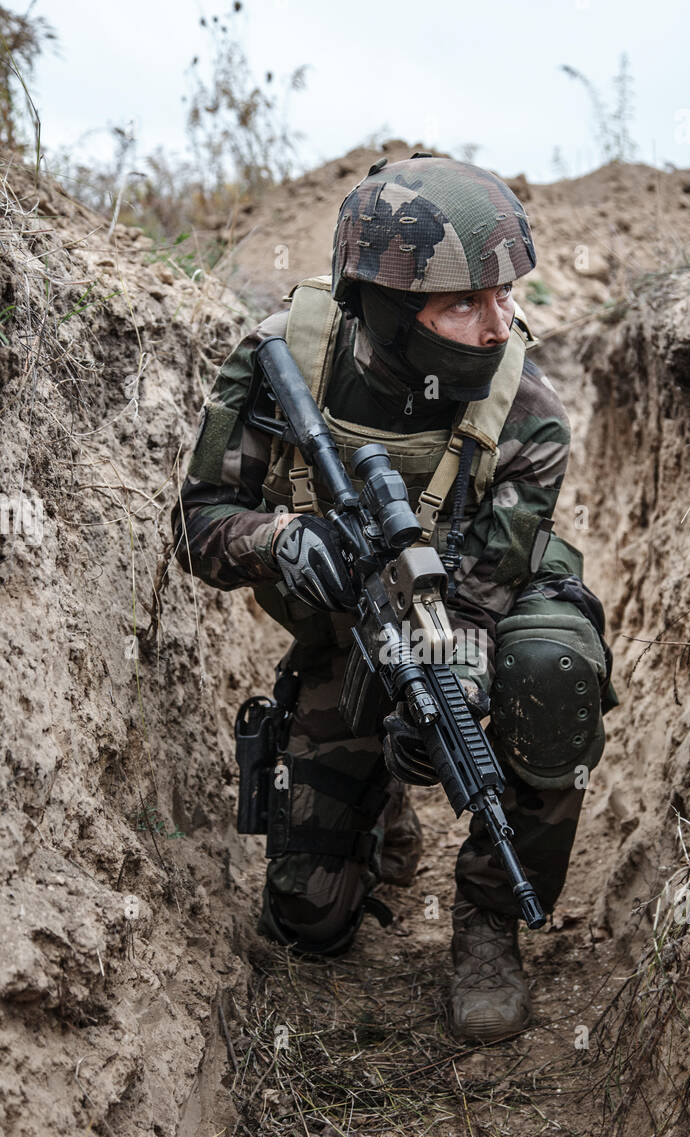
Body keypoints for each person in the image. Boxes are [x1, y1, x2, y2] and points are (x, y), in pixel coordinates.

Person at [171, 154, 616, 1044]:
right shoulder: (280, 362)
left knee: (554, 671)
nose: (501, 325)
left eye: (507, 294)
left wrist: (459, 682)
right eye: (465, 303)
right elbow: (198, 529)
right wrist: (282, 541)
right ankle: (378, 817)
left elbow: (484, 597)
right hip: (344, 632)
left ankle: (488, 922)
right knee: (308, 921)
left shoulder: (525, 408)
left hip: (477, 611)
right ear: (382, 304)